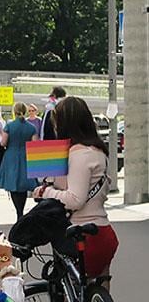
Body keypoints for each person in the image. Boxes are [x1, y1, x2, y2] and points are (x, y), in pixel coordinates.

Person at [33, 95, 118, 281]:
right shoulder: (98, 151)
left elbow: (75, 200)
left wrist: (44, 191)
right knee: (100, 286)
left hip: (80, 235)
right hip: (104, 232)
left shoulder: (78, 154)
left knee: (71, 294)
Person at [0, 102, 37, 222]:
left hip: (11, 156)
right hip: (26, 156)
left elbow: (3, 143)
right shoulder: (31, 127)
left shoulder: (9, 126)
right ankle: (21, 211)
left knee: (14, 184)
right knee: (23, 184)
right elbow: (35, 144)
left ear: (14, 111)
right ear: (25, 111)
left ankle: (19, 212)